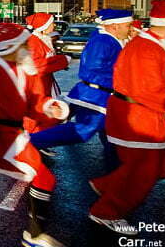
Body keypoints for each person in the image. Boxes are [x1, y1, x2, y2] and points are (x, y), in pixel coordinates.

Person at [0, 23, 70, 247]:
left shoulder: (23, 70)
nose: (28, 48)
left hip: (14, 136)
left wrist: (51, 108)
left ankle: (36, 234)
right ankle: (35, 235)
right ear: (12, 47)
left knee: (43, 179)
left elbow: (33, 103)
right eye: (24, 44)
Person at [88, 0, 165, 235]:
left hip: (139, 115)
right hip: (138, 118)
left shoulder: (148, 44)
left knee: (155, 165)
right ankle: (106, 211)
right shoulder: (146, 48)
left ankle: (107, 186)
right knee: (146, 170)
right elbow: (149, 91)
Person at [29, 9, 132, 172]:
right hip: (95, 95)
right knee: (82, 130)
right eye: (127, 25)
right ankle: (28, 142)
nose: (130, 28)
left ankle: (115, 175)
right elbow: (92, 68)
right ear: (114, 26)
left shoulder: (107, 39)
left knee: (111, 134)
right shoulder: (103, 41)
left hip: (99, 94)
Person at [24, 13, 72, 157]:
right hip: (37, 85)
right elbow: (37, 65)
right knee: (38, 115)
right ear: (43, 27)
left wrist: (60, 62)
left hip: (45, 83)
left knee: (44, 114)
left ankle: (38, 142)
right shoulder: (33, 41)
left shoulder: (42, 39)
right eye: (51, 24)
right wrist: (61, 61)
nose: (54, 26)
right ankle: (30, 144)